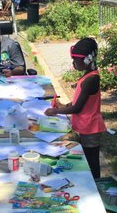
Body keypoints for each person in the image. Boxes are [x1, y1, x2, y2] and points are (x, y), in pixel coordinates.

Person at [44, 38, 106, 178]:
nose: (73, 63)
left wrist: (55, 111)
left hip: (90, 128)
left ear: (87, 60)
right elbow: (78, 102)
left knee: (91, 161)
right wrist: (64, 106)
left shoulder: (91, 79)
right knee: (84, 158)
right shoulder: (87, 76)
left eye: (75, 60)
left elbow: (77, 108)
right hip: (84, 126)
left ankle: (96, 184)